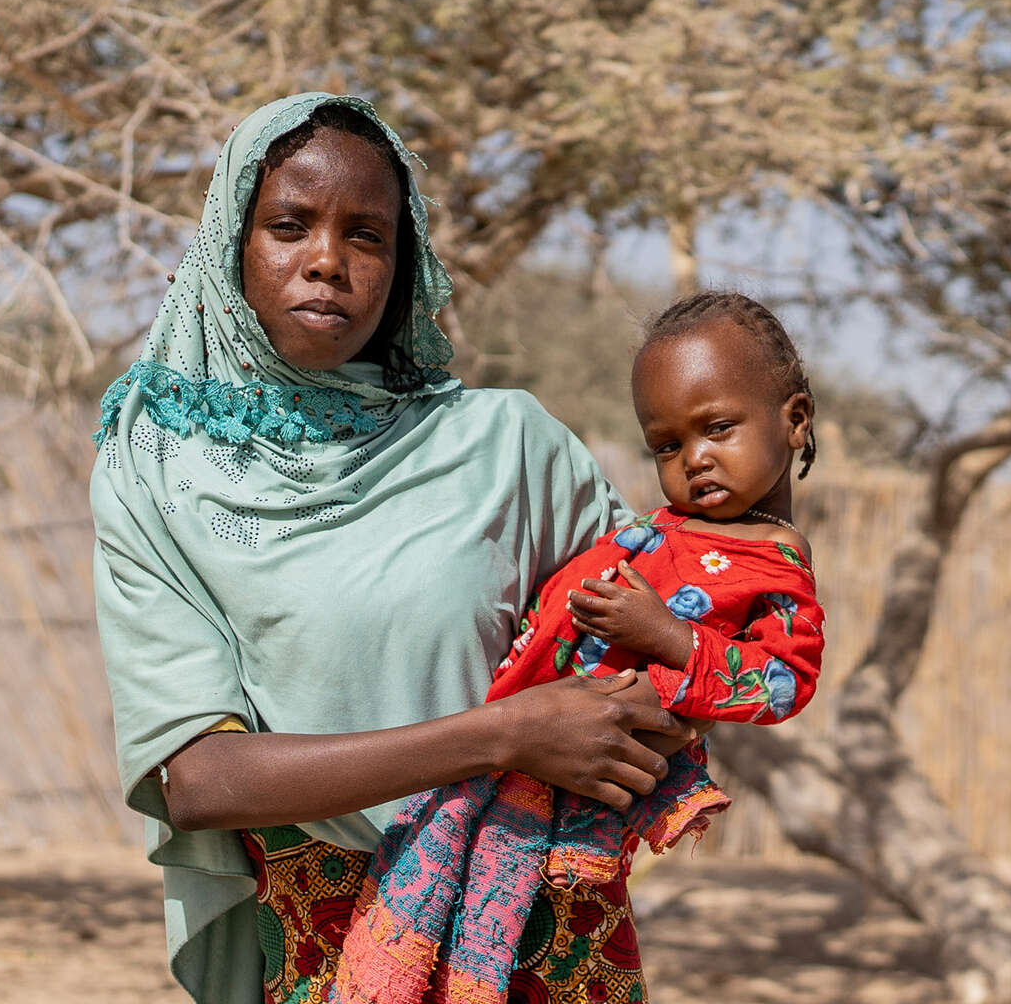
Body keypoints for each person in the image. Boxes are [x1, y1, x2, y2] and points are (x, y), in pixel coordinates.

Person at [90, 92, 697, 1004]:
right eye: (289, 226)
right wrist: (503, 736)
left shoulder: (508, 446)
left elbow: (674, 650)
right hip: (329, 944)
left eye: (367, 236)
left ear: (402, 262)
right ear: (230, 246)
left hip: (543, 934)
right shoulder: (161, 466)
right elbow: (198, 778)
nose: (327, 262)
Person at [336, 292, 824, 1004]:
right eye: (667, 444)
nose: (695, 460)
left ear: (795, 419)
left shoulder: (775, 565)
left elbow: (783, 682)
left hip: (566, 773)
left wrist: (666, 637)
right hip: (505, 730)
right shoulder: (670, 525)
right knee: (417, 881)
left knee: (486, 915)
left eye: (717, 428)